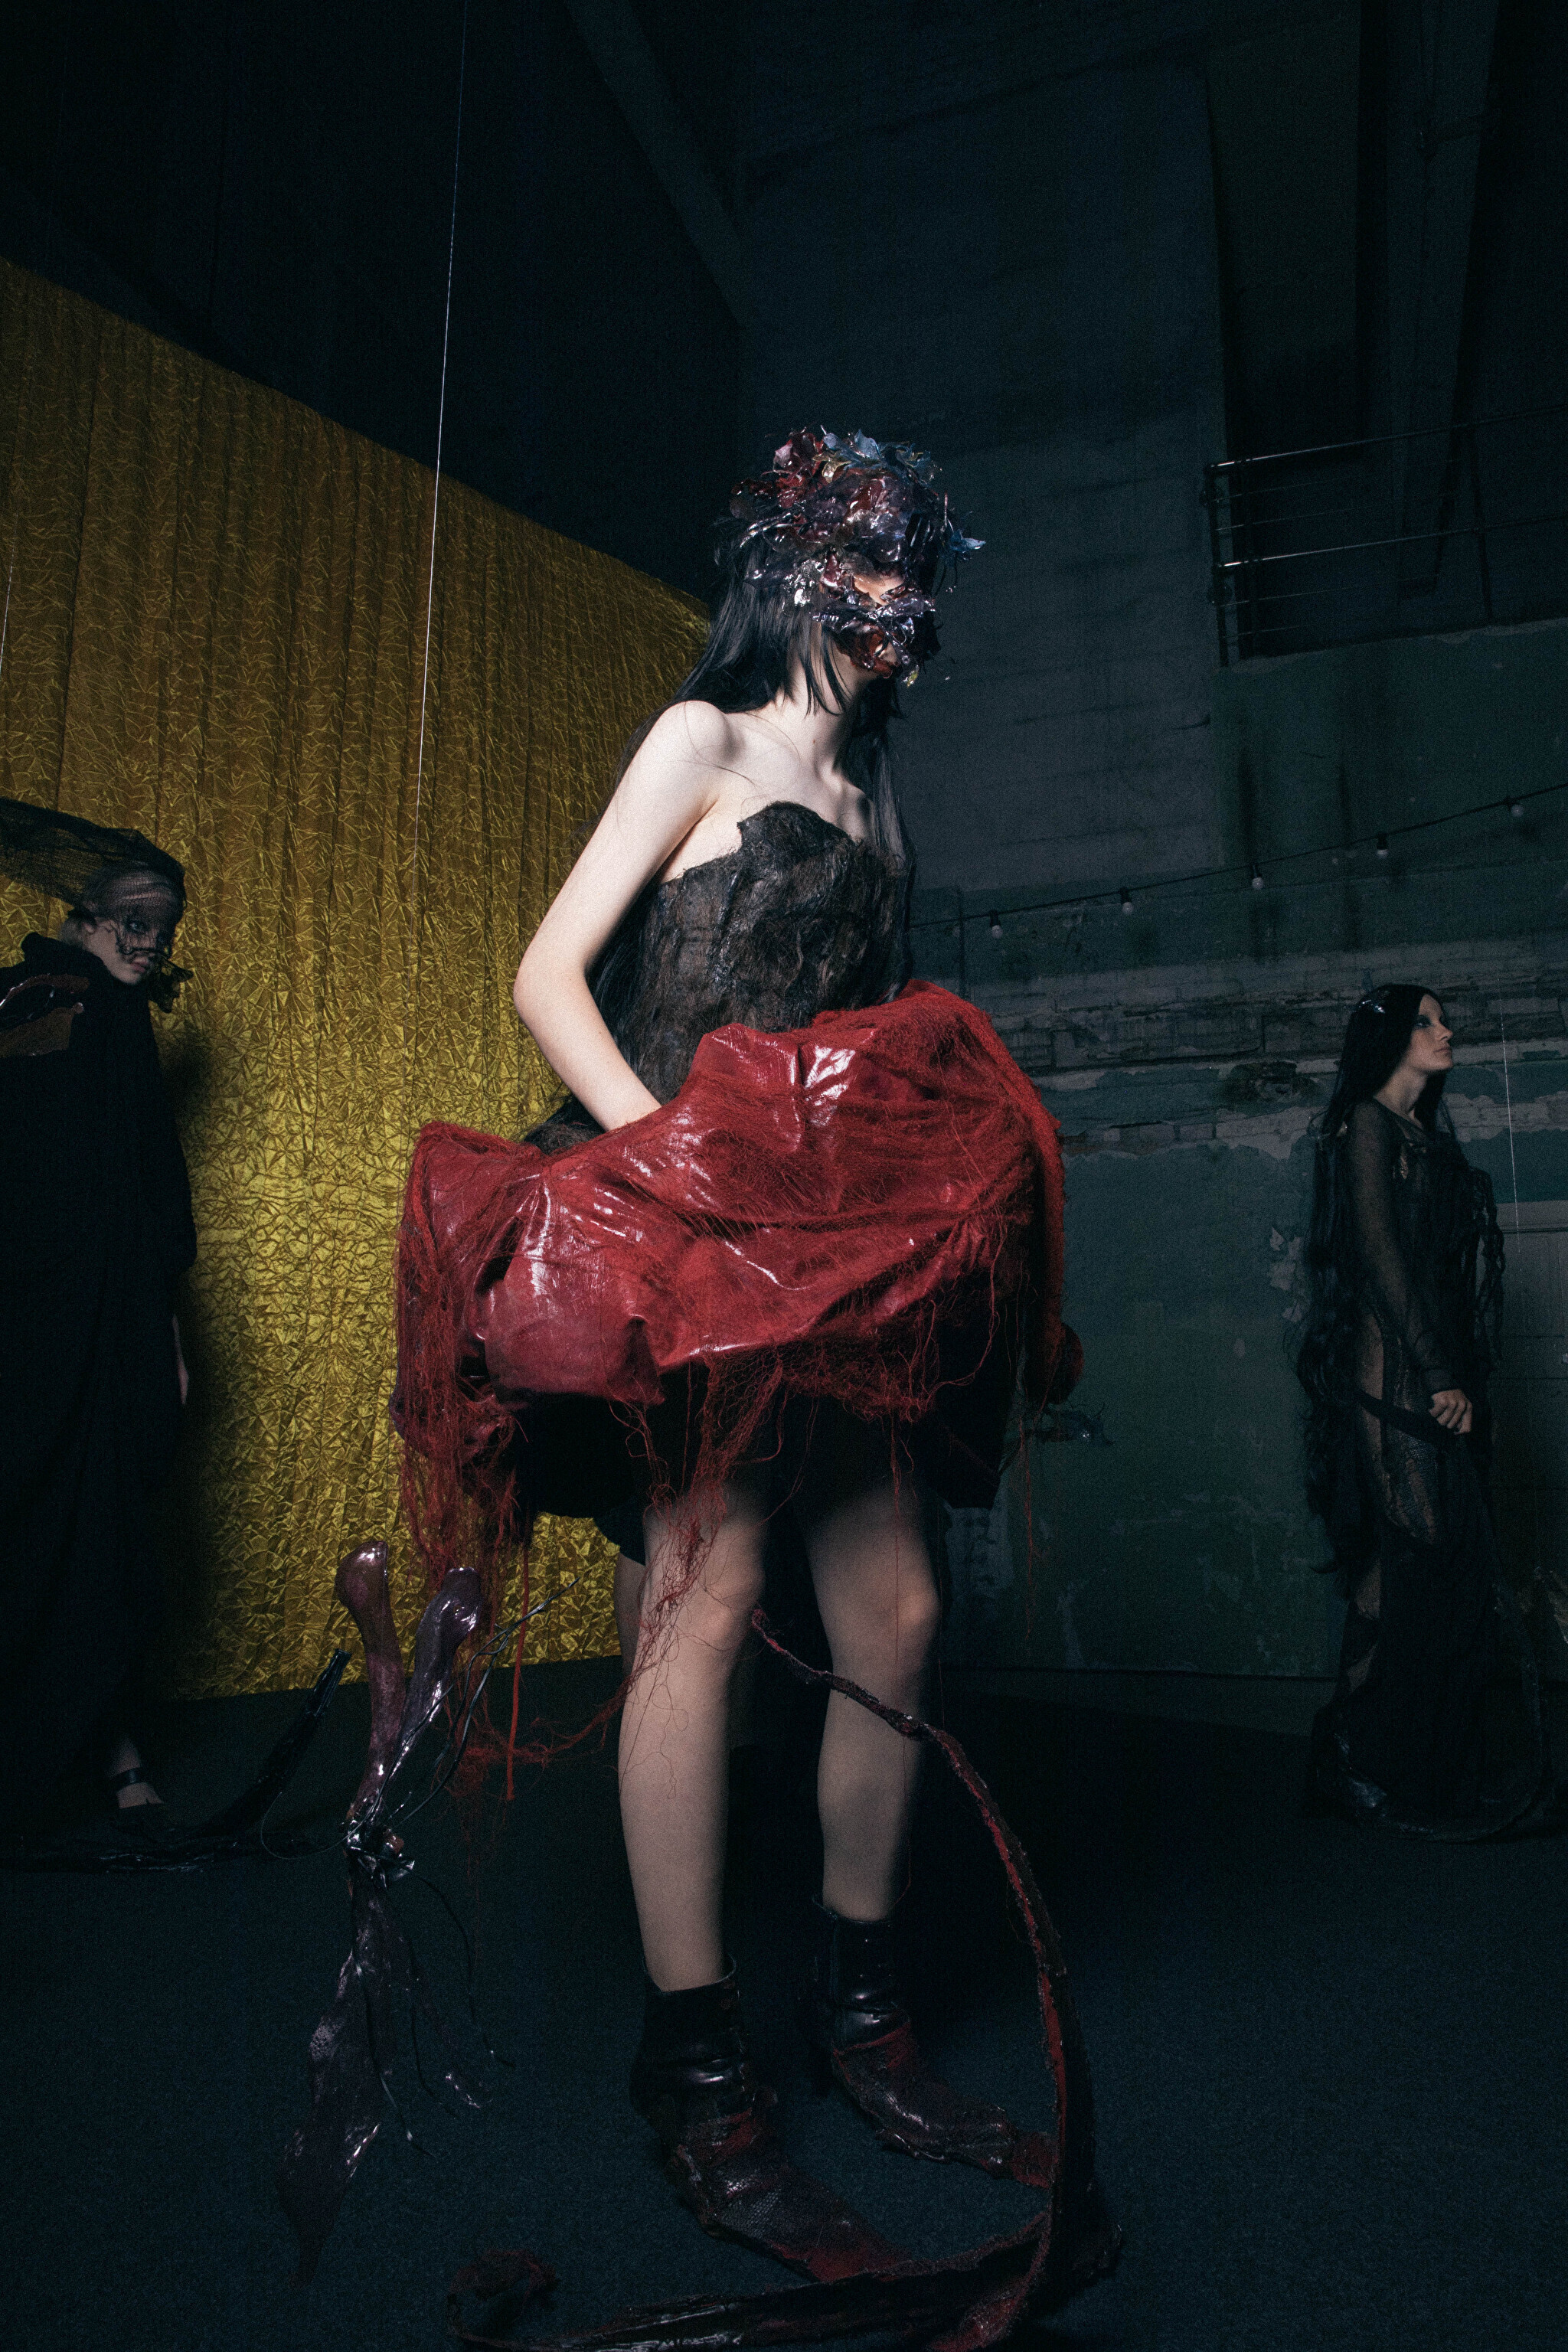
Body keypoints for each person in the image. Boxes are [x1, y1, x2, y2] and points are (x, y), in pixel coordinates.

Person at [394, 429, 1110, 2288]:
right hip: (680, 1230)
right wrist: (671, 1192)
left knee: (896, 1608)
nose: (906, 604)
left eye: (917, 574)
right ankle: (697, 2071)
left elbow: (857, 1063)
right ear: (796, 571)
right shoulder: (697, 739)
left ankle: (860, 2012)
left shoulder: (875, 800)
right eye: (876, 568)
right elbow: (549, 975)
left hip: (822, 1259)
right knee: (699, 1602)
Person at [1295, 985, 1547, 1835]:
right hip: (1398, 1375)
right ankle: (1367, 1760)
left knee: (1403, 1567)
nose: (1446, 1031)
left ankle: (1368, 1762)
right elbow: (1379, 1258)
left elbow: (1437, 1269)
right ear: (1390, 1041)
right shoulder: (1366, 1124)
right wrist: (1439, 1374)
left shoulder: (1419, 1132)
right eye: (1427, 1022)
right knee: (1425, 1563)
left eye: (1442, 1020)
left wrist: (1456, 1373)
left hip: (1433, 1372)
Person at [0, 800, 194, 1820]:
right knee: (29, 1523)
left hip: (114, 1325)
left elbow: (152, 1195)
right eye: (133, 919)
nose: (150, 941)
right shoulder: (29, 997)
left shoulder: (123, 1019)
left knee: (111, 1529)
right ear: (82, 915)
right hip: (29, 1325)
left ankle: (117, 1751)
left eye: (163, 926)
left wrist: (167, 1334)